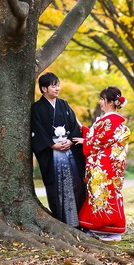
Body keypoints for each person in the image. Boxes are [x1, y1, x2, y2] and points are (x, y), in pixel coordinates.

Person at [73, 86, 132, 242]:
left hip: (104, 166)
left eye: (102, 99)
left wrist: (86, 141)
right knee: (102, 194)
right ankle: (99, 228)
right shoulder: (111, 120)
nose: (100, 102)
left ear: (110, 102)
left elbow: (101, 140)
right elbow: (98, 137)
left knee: (104, 194)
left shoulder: (111, 120)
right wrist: (83, 129)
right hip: (107, 165)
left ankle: (111, 230)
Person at [30, 72, 86, 226]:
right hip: (52, 152)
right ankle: (62, 221)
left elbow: (75, 126)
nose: (57, 88)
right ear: (44, 89)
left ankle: (79, 221)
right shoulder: (37, 108)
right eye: (54, 86)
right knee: (56, 187)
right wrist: (51, 144)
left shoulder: (64, 105)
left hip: (69, 151)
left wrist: (70, 141)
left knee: (76, 184)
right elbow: (37, 130)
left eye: (58, 85)